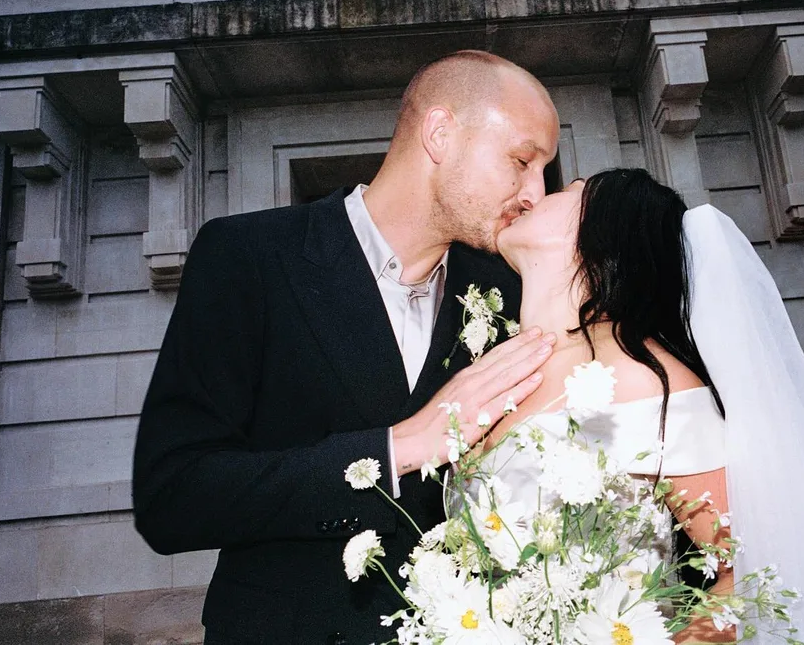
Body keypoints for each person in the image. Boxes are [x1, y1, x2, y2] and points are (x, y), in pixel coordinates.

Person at [132, 50, 560, 645]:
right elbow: (172, 497)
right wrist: (398, 447)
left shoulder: (508, 291)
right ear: (440, 134)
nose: (535, 193)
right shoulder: (249, 257)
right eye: (521, 160)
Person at [489, 169, 804, 644]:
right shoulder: (501, 372)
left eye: (568, 190)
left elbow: (749, 574)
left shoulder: (644, 380)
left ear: (601, 236)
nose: (535, 194)